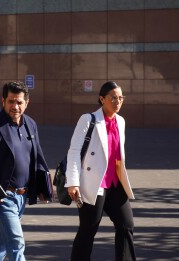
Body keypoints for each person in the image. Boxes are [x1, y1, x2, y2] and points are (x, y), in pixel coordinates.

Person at [0, 81, 53, 261]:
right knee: (17, 242)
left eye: (19, 102)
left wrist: (43, 187)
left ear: (27, 102)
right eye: (11, 101)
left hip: (22, 196)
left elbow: (37, 157)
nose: (15, 106)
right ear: (3, 101)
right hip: (2, 197)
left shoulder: (30, 124)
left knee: (0, 244)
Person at [66, 81, 136, 261]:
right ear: (102, 99)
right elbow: (74, 151)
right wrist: (73, 182)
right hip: (93, 183)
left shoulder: (121, 121)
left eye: (121, 98)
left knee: (126, 224)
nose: (118, 101)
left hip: (115, 183)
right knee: (88, 229)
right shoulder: (88, 119)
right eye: (113, 98)